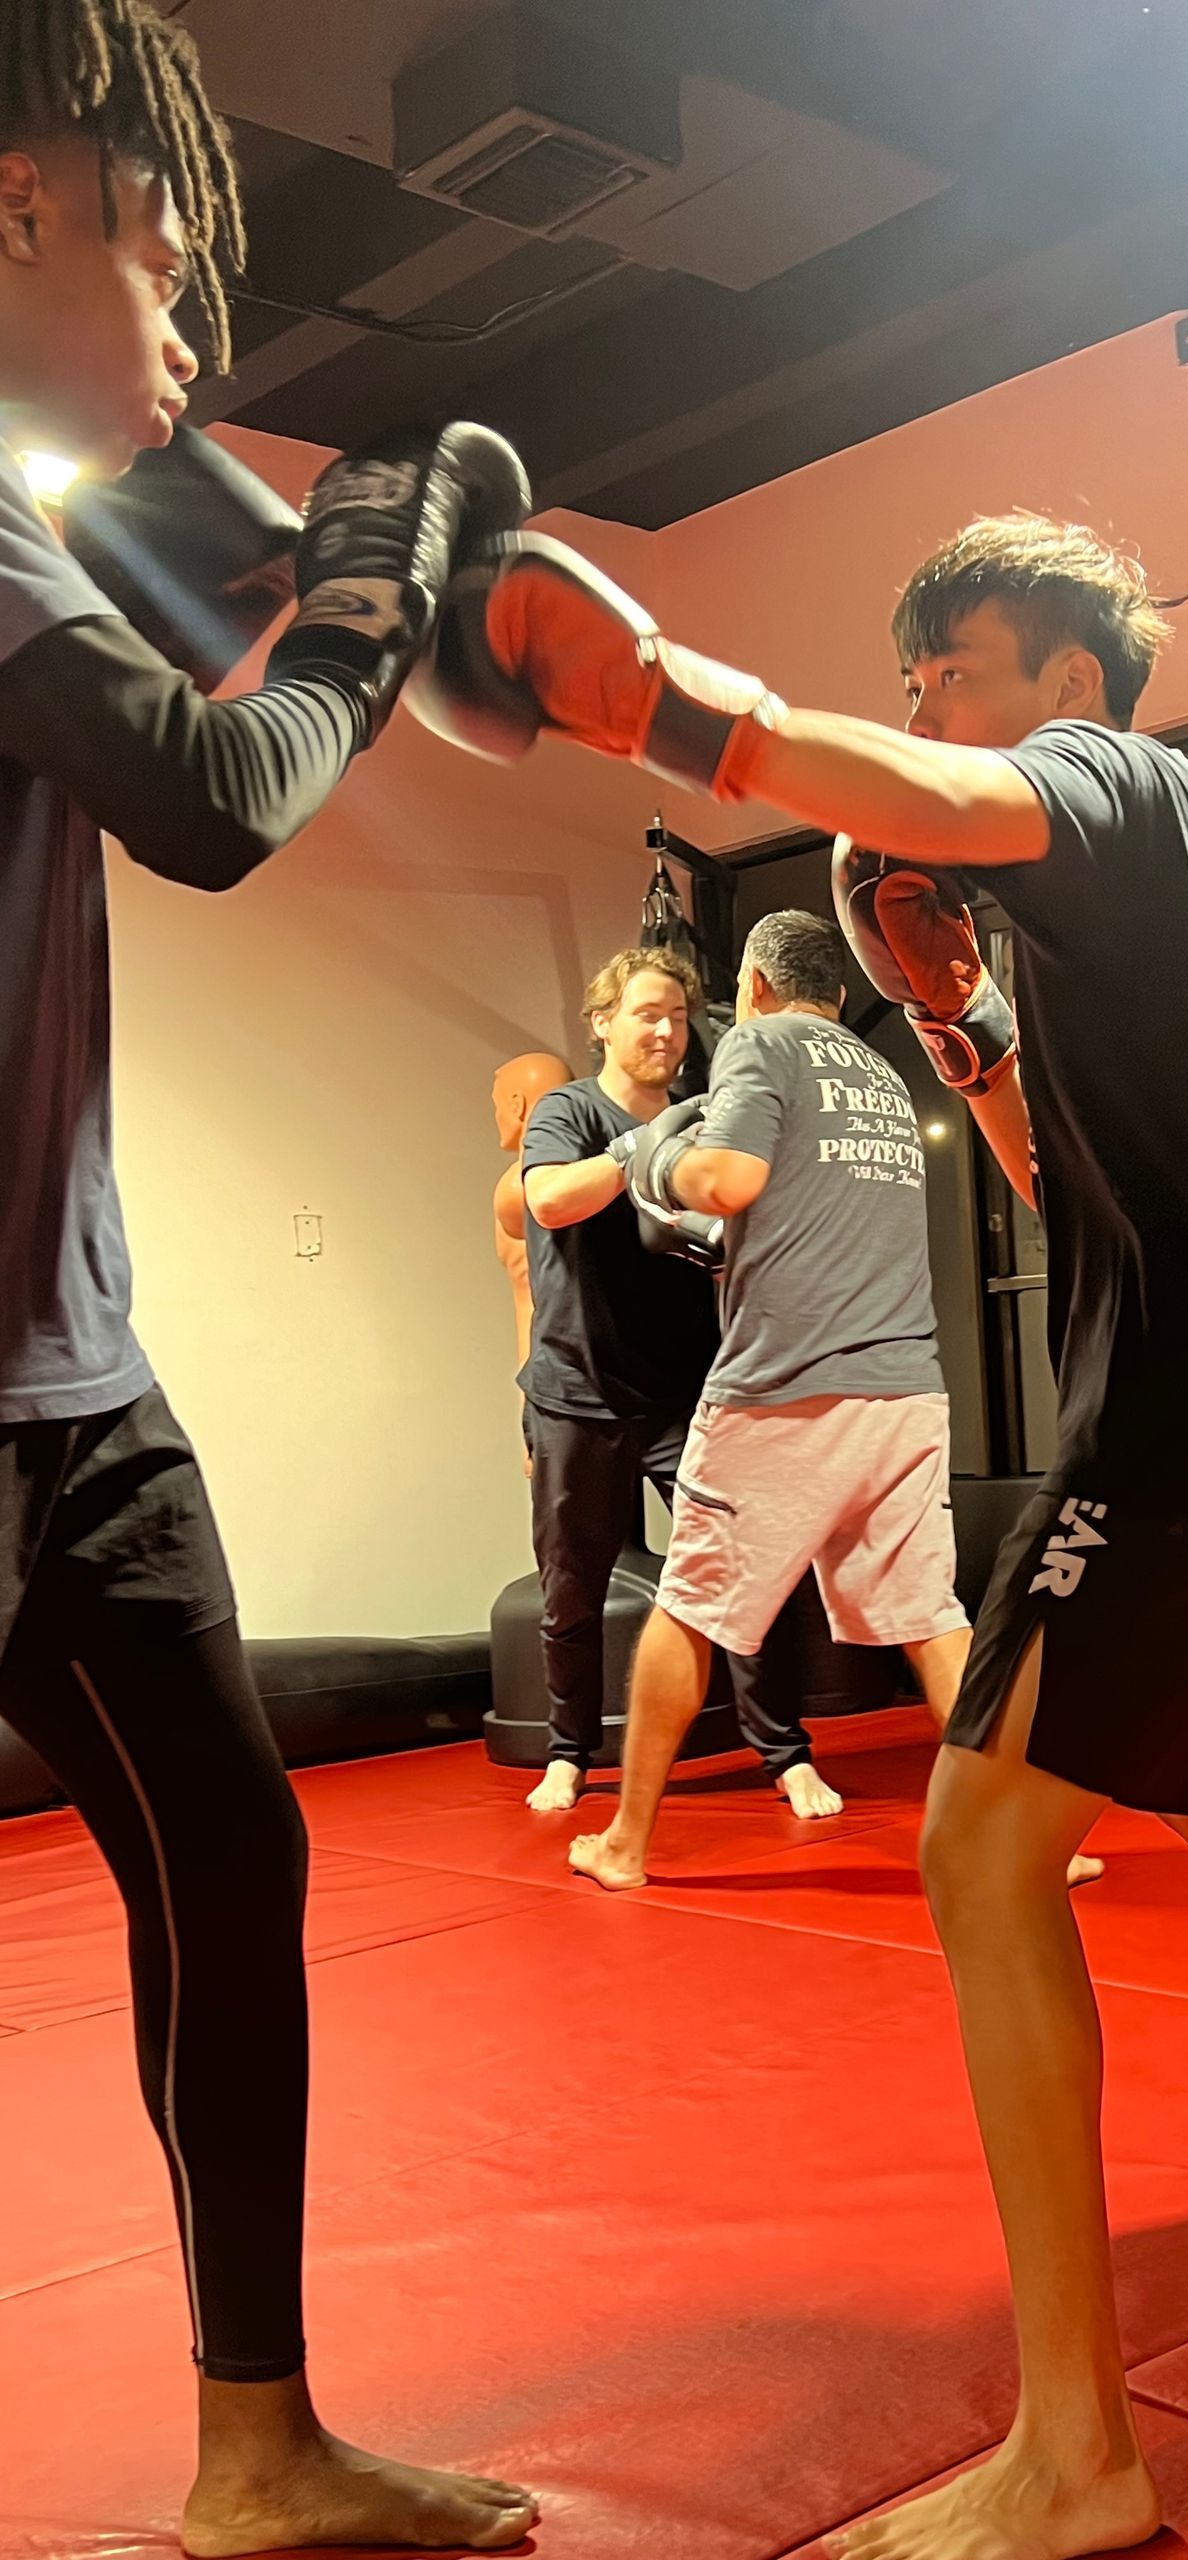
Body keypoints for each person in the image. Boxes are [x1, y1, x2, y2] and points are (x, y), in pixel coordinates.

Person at [425, 508, 1188, 2559]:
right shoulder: (1148, 886)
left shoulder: (1110, 777)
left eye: (944, 665)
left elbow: (934, 789)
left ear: (1064, 665)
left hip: (1187, 1404)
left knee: (979, 1847)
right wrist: (958, 1030)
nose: (923, 709)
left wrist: (670, 706)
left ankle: (1080, 2448)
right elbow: (1072, 1187)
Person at [0, 8, 539, 2552]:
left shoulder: (56, 518)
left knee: (230, 1863)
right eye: (161, 242)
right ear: (21, 207)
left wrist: (400, 582)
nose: (197, 312)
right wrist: (351, 586)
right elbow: (220, 797)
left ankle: (259, 2447)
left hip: (70, 1381)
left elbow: (355, 675)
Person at [566, 910, 977, 1889]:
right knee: (933, 1616)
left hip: (785, 1388)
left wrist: (646, 1157)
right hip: (905, 1388)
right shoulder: (880, 1076)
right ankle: (1037, 1838)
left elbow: (725, 1178)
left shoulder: (759, 1042)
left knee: (688, 1606)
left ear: (752, 983)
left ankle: (624, 1843)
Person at [518, 941, 847, 1819]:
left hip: (687, 1392)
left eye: (676, 1015)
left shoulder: (709, 1120)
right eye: (644, 1013)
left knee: (748, 1568)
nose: (665, 1030)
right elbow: (547, 1203)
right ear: (603, 1024)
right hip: (576, 1390)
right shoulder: (569, 1111)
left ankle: (784, 1754)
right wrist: (641, 1151)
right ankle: (567, 1754)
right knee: (571, 1585)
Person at [490, 1047, 571, 1475]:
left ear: (518, 1105)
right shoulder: (587, 1173)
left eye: (498, 1105)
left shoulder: (526, 1186)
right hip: (566, 1388)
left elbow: (532, 1308)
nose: (497, 1118)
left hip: (576, 1391)